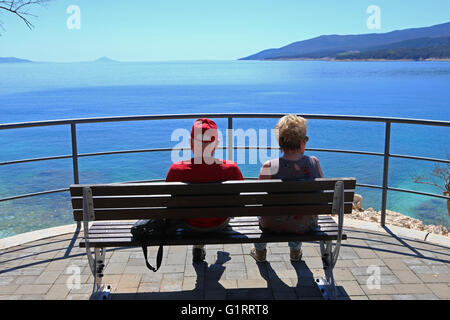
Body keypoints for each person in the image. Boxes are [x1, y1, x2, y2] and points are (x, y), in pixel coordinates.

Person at [166, 118, 244, 263]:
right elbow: (241, 199)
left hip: (188, 224)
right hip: (219, 223)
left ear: (190, 143)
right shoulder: (231, 168)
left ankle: (198, 246)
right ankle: (202, 248)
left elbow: (169, 203)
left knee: (195, 211)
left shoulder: (176, 170)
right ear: (216, 144)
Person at [250, 114, 324, 263]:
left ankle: (260, 251)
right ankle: (295, 251)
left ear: (280, 142)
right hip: (306, 224)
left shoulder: (268, 167)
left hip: (273, 225)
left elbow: (258, 201)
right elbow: (321, 194)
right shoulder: (314, 163)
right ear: (302, 142)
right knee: (299, 210)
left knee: (262, 213)